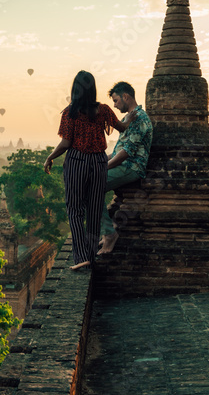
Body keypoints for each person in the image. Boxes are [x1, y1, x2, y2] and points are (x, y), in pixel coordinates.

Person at [43, 71, 134, 270]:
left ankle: (81, 256)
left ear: (75, 89)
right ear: (93, 88)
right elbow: (123, 127)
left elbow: (66, 143)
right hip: (98, 162)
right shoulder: (103, 110)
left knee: (75, 210)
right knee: (94, 209)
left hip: (77, 161)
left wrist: (50, 157)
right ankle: (91, 256)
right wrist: (132, 116)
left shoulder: (70, 112)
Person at [97, 81, 153, 255]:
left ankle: (109, 233)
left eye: (116, 100)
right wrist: (96, 162)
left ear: (126, 96)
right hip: (122, 164)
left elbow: (127, 152)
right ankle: (107, 231)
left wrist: (104, 168)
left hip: (132, 167)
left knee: (90, 186)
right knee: (87, 184)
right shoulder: (127, 119)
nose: (114, 104)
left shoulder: (140, 119)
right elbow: (116, 152)